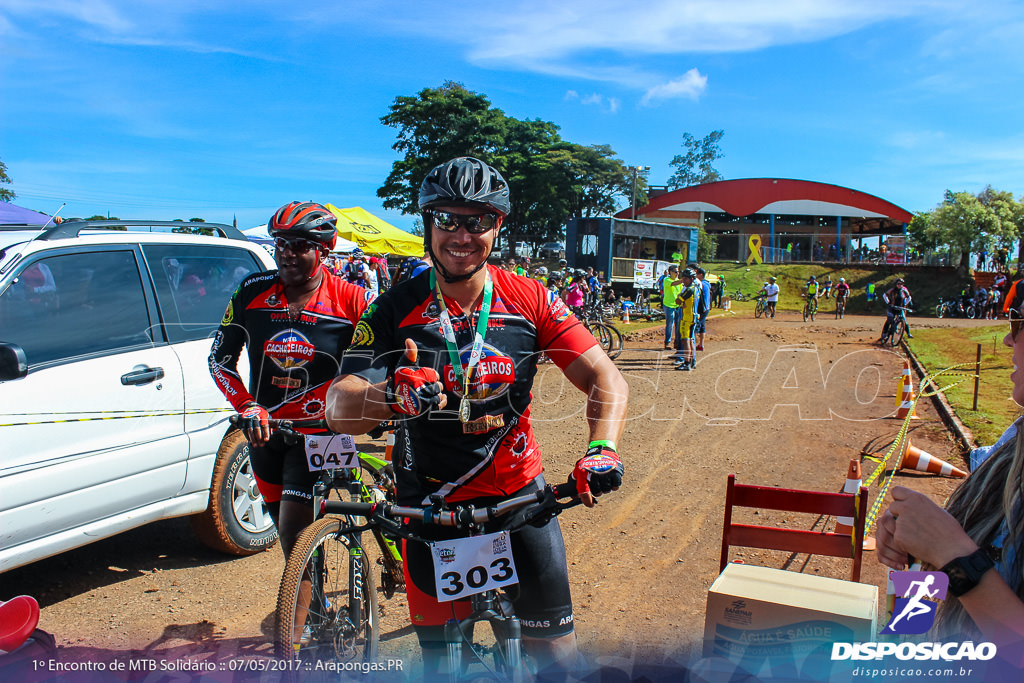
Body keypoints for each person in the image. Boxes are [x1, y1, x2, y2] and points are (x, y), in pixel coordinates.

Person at [325, 157, 628, 677]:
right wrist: (390, 400)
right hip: (429, 508)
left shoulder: (531, 298)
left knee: (558, 661)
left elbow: (606, 378)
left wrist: (602, 447)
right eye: (446, 219)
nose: (460, 235)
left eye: (477, 221)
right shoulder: (393, 307)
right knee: (443, 668)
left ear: (498, 226)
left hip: (518, 501)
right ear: (426, 223)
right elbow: (338, 405)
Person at [209, 201, 374, 559]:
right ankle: (312, 599)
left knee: (292, 534)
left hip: (320, 433)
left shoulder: (353, 299)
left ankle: (304, 615)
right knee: (292, 538)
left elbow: (380, 359)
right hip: (264, 433)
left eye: (300, 246)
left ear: (325, 249)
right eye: (281, 244)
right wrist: (247, 405)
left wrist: (374, 400)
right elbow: (219, 361)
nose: (287, 255)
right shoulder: (251, 291)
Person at [875, 307, 1024, 669]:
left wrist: (952, 551)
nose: (1008, 338)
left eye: (1019, 325)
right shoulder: (1016, 436)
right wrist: (922, 535)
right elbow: (988, 554)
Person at [674, 268, 699, 371]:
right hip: (694, 316)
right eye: (683, 278)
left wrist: (680, 299)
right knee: (691, 339)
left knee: (685, 341)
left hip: (687, 318)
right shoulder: (696, 288)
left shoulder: (689, 289)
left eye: (685, 279)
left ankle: (686, 363)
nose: (683, 281)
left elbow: (677, 301)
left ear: (691, 278)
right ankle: (693, 361)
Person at [879, 277, 913, 342]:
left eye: (901, 284)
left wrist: (905, 303)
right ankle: (884, 334)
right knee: (889, 320)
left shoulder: (904, 291)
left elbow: (909, 297)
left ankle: (908, 333)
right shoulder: (892, 290)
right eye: (898, 284)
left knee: (904, 320)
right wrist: (888, 302)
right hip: (892, 308)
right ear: (896, 284)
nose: (900, 285)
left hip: (900, 308)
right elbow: (884, 295)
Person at [660, 264, 681, 351]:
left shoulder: (678, 281)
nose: (677, 274)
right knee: (670, 324)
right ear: (670, 272)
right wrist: (684, 280)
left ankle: (676, 342)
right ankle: (667, 342)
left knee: (678, 324)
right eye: (675, 272)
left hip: (677, 305)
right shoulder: (666, 280)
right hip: (669, 305)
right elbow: (674, 283)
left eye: (678, 272)